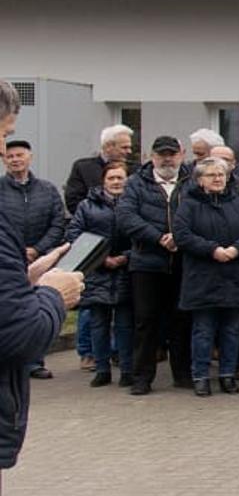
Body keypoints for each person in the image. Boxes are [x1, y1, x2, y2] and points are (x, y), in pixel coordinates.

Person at [0, 79, 84, 482]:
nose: (6, 151)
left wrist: (20, 277)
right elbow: (19, 333)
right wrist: (53, 294)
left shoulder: (47, 191)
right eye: (4, 135)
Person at [174, 157, 239, 396]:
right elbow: (182, 235)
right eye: (211, 175)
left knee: (232, 330)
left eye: (221, 175)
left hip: (235, 275)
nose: (217, 179)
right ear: (200, 180)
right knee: (203, 330)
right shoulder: (189, 205)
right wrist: (212, 249)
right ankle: (201, 376)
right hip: (203, 276)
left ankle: (228, 374)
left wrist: (236, 249)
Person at [119, 135, 193, 395]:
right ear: (151, 156)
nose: (167, 159)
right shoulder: (135, 183)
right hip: (146, 263)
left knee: (182, 320)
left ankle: (183, 374)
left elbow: (200, 214)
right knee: (145, 322)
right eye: (162, 154)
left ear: (181, 154)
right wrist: (159, 238)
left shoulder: (191, 181)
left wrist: (180, 239)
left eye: (172, 154)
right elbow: (127, 217)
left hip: (183, 262)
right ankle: (141, 377)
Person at [69, 160, 134, 387]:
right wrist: (100, 257)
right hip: (97, 271)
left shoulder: (134, 204)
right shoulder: (87, 206)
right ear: (103, 181)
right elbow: (75, 233)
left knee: (125, 325)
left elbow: (141, 235)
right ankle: (102, 369)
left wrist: (125, 256)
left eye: (120, 178)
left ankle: (127, 369)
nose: (116, 182)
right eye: (111, 178)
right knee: (98, 324)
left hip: (126, 270)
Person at [2, 139, 68, 266]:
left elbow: (58, 224)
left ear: (30, 157)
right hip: (6, 260)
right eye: (9, 156)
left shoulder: (48, 189)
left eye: (20, 155)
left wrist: (36, 250)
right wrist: (13, 251)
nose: (15, 160)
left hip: (42, 259)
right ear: (4, 160)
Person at [63, 123, 134, 212]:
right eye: (124, 148)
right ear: (108, 147)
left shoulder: (136, 170)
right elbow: (73, 202)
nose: (129, 151)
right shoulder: (83, 168)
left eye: (130, 147)